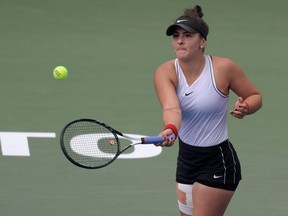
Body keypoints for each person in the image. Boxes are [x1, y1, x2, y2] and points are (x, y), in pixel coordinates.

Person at [154, 5, 262, 216]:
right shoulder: (165, 72)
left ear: (202, 41)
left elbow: (255, 96)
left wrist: (246, 107)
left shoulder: (223, 69)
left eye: (187, 35)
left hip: (217, 162)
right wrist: (171, 129)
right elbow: (171, 108)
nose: (180, 41)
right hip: (186, 159)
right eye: (175, 36)